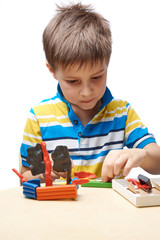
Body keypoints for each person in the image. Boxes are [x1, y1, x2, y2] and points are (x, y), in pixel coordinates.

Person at [20, 3, 160, 183]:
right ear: (52, 70)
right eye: (73, 81)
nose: (86, 92)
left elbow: (158, 162)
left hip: (108, 210)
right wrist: (46, 173)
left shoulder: (121, 113)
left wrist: (141, 154)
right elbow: (24, 175)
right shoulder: (39, 117)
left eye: (96, 77)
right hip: (57, 210)